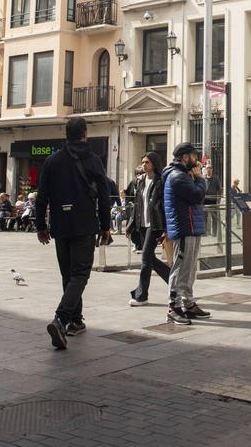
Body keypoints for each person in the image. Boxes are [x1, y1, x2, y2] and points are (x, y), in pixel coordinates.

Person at [34, 116, 112, 349]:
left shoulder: (52, 161)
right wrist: (106, 226)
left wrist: (41, 226)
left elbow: (41, 197)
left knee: (68, 275)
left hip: (60, 226)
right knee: (79, 275)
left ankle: (75, 321)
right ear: (84, 134)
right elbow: (105, 197)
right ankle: (61, 319)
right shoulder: (93, 160)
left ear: (66, 134)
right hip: (85, 225)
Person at [164, 143, 210, 325]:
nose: (196, 159)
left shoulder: (183, 175)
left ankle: (187, 303)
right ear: (184, 157)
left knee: (189, 268)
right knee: (180, 268)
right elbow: (197, 196)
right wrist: (200, 178)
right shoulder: (178, 177)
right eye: (193, 156)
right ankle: (173, 307)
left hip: (191, 227)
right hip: (184, 228)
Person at [129, 152, 169, 307]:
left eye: (146, 162)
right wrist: (132, 224)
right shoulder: (141, 181)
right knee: (150, 259)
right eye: (142, 162)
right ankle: (175, 282)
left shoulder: (161, 181)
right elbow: (138, 204)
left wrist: (166, 227)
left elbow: (165, 204)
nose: (144, 165)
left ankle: (141, 295)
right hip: (142, 224)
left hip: (155, 224)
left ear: (154, 163)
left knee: (146, 258)